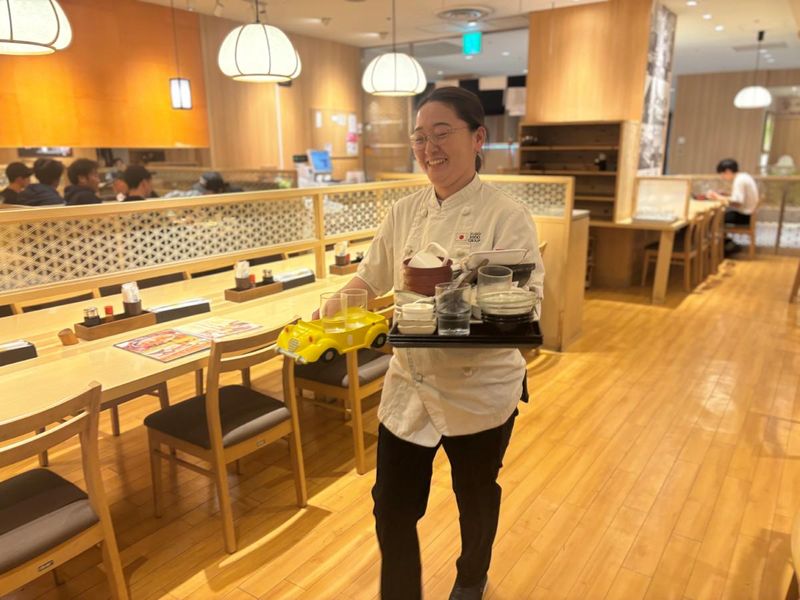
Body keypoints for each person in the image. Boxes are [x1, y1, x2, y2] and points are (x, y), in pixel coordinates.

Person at [329, 87, 544, 600]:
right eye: (420, 138)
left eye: (442, 133)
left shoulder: (506, 215)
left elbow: (529, 305)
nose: (429, 148)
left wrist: (455, 303)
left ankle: (471, 580)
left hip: (480, 389)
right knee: (391, 506)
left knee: (475, 497)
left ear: (478, 138)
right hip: (410, 382)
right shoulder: (404, 211)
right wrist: (333, 307)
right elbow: (369, 278)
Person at [708, 158, 759, 255]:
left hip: (745, 216)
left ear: (728, 171)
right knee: (720, 216)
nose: (722, 177)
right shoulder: (744, 176)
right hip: (748, 214)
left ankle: (725, 247)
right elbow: (739, 198)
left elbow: (737, 202)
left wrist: (718, 197)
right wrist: (725, 195)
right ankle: (727, 244)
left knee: (713, 219)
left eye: (722, 174)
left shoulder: (739, 181)